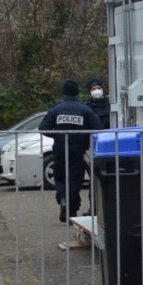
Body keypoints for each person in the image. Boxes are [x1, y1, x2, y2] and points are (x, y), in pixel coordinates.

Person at [42, 79, 99, 226]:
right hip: (78, 149)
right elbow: (98, 128)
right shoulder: (85, 110)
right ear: (77, 92)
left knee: (60, 177)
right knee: (75, 180)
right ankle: (71, 209)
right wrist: (84, 137)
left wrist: (58, 135)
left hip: (60, 148)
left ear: (64, 93)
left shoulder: (56, 109)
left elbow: (43, 128)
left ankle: (63, 199)